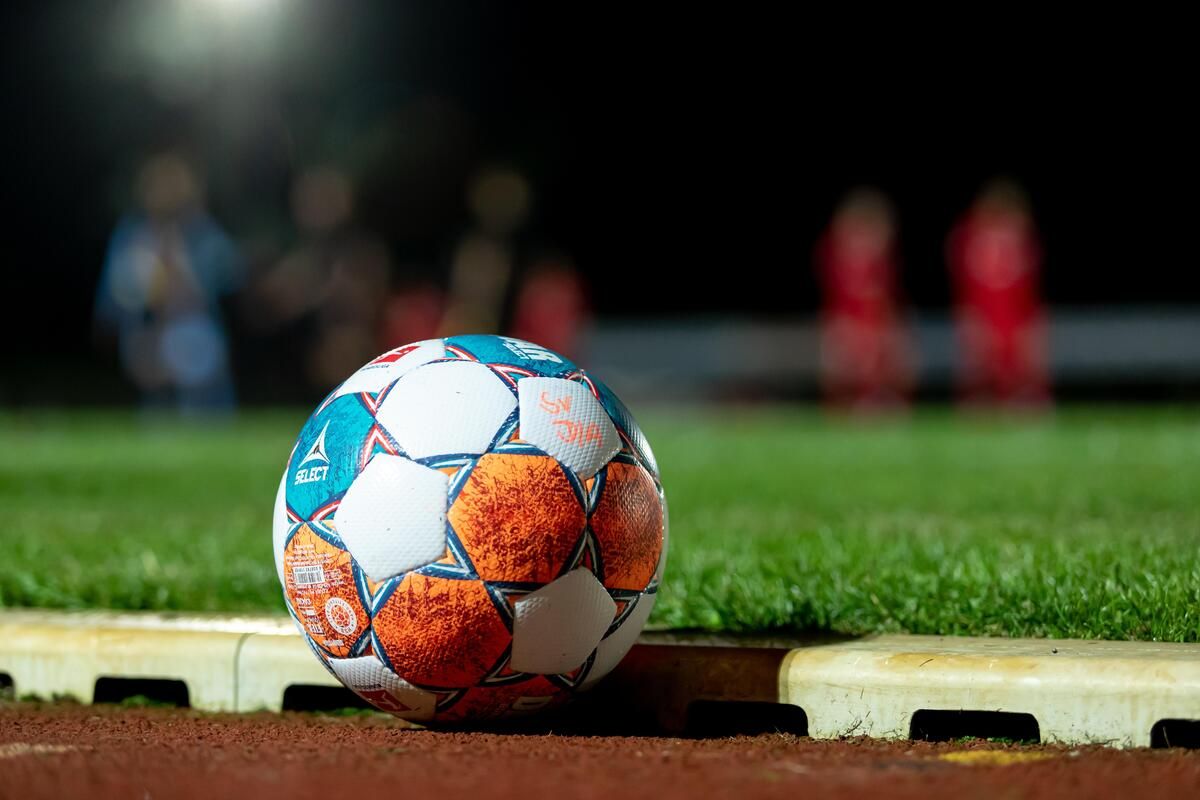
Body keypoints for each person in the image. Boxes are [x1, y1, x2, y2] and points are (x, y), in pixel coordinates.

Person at [94, 152, 241, 414]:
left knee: (196, 345)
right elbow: (114, 305)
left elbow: (230, 280)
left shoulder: (202, 232)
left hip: (196, 335)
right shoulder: (130, 234)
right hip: (146, 334)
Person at [947, 180, 1050, 407]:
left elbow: (1029, 293)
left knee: (1022, 387)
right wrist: (971, 323)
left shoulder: (1022, 241)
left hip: (1014, 323)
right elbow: (967, 290)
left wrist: (1031, 328)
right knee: (980, 386)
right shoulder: (970, 238)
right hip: (986, 321)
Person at [814, 188, 914, 411]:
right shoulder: (834, 254)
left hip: (876, 325)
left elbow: (887, 300)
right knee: (842, 357)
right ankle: (844, 409)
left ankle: (881, 401)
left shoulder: (882, 260)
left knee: (892, 353)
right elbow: (837, 299)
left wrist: (889, 332)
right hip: (846, 325)